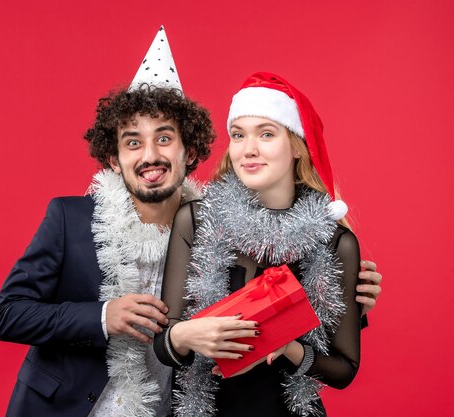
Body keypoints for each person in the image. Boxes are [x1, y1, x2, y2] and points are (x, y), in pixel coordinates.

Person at [0, 28, 383, 417]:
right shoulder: (71, 219)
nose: (149, 156)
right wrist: (102, 316)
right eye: (132, 142)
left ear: (189, 151)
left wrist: (348, 299)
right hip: (72, 407)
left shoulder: (213, 223)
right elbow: (7, 314)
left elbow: (284, 317)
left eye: (164, 139)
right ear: (113, 158)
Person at [154, 72, 373, 417]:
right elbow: (164, 344)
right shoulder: (196, 220)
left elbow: (344, 369)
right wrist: (185, 335)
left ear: (297, 147)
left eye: (267, 134)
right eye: (238, 135)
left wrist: (286, 345)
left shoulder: (334, 241)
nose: (248, 149)